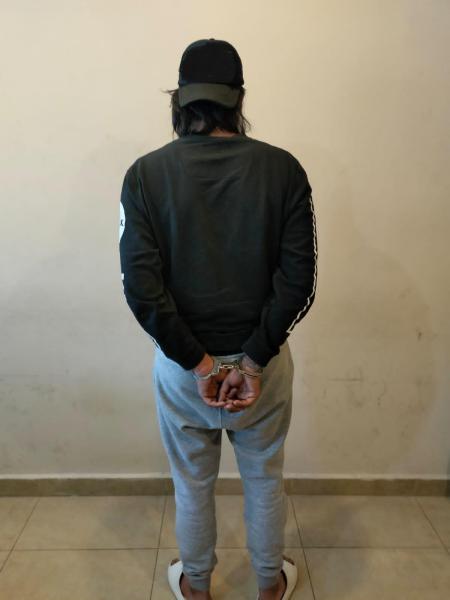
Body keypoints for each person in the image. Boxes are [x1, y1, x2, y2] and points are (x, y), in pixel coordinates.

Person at [119, 38, 318, 600]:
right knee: (264, 478)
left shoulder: (145, 174)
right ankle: (269, 586)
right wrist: (250, 362)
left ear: (180, 101)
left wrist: (202, 363)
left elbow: (141, 289)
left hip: (183, 368)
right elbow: (299, 281)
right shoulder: (283, 169)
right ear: (239, 99)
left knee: (191, 483)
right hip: (264, 363)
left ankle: (197, 588)